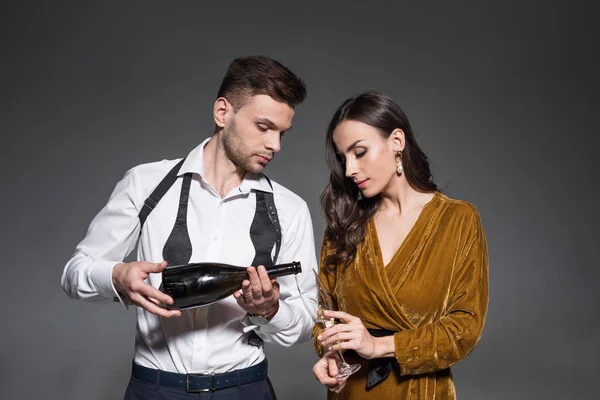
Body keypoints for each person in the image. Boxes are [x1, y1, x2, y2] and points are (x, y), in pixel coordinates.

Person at [61, 55, 318, 400]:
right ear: (222, 113)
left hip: (245, 389)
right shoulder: (145, 184)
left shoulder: (289, 209)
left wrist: (270, 309)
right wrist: (116, 276)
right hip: (155, 389)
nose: (276, 145)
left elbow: (305, 319)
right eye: (264, 127)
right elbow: (75, 273)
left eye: (282, 133)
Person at [311, 91, 489, 399]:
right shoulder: (343, 225)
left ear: (396, 142)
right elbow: (322, 313)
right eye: (343, 159)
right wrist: (329, 352)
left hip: (421, 391)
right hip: (351, 392)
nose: (350, 169)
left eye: (360, 152)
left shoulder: (458, 220)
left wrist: (378, 345)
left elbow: (465, 328)